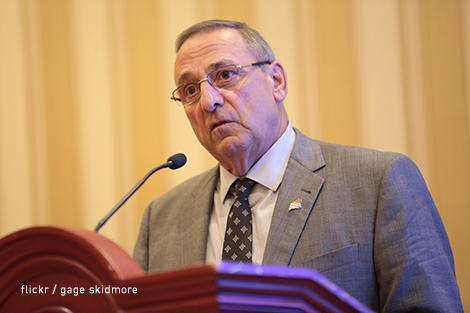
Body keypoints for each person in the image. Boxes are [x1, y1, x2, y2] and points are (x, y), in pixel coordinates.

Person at [133, 20, 463, 312]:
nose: (209, 101)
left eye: (226, 75)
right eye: (191, 90)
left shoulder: (378, 183)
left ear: (277, 80)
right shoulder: (160, 219)